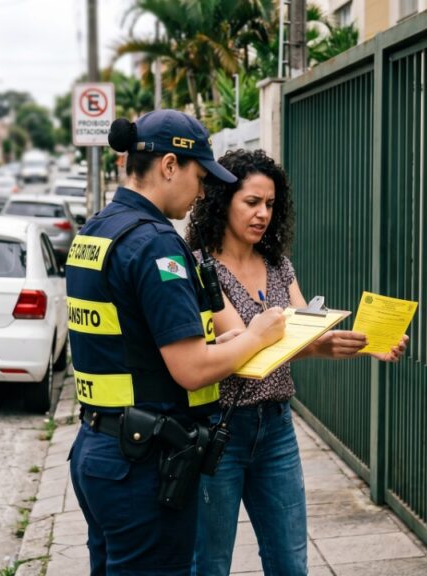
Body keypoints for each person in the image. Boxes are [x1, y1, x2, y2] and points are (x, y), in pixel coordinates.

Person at [66, 112, 287, 576]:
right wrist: (253, 336)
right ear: (169, 165)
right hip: (141, 463)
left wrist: (221, 339)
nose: (203, 192)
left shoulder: (97, 230)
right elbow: (190, 369)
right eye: (200, 176)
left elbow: (132, 338)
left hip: (97, 450)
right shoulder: (155, 245)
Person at [186, 149, 408, 576]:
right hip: (220, 430)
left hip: (276, 430)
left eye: (270, 204)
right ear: (222, 200)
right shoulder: (200, 269)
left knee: (290, 562)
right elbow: (248, 351)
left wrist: (364, 343)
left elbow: (304, 334)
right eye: (251, 202)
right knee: (210, 564)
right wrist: (307, 339)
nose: (262, 214)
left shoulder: (277, 265)